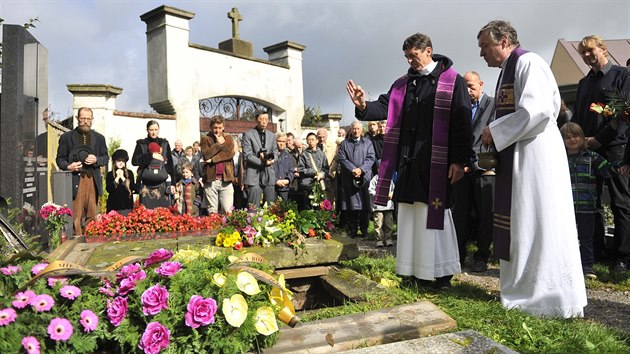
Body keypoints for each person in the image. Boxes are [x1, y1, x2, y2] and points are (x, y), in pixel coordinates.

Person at [478, 20, 586, 317]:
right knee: (523, 219)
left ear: (502, 41)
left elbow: (537, 111)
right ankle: (524, 289)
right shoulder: (507, 71)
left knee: (538, 218)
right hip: (520, 154)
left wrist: (495, 130)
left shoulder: (529, 62)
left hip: (536, 155)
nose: (481, 53)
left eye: (484, 46)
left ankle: (547, 295)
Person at [347, 32, 471, 289]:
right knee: (410, 215)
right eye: (407, 57)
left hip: (435, 163)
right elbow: (383, 106)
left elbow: (462, 122)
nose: (410, 61)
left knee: (434, 213)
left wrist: (460, 160)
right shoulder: (404, 84)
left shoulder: (452, 81)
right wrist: (362, 105)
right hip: (408, 163)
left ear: (428, 51)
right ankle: (413, 270)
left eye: (413, 56)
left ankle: (441, 274)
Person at [572, 35, 630, 274]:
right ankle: (596, 252)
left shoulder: (621, 76)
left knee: (621, 202)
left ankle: (623, 257)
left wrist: (600, 139)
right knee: (590, 202)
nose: (587, 55)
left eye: (590, 50)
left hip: (615, 147)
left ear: (603, 49)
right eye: (582, 53)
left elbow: (624, 115)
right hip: (587, 150)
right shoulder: (584, 83)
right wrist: (577, 141)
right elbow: (578, 118)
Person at [452, 71, 496, 272]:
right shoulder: (459, 108)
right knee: (460, 214)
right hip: (463, 169)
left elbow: (492, 137)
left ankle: (482, 255)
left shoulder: (493, 105)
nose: (468, 90)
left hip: (485, 169)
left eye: (472, 86)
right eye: (465, 87)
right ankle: (459, 255)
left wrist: (474, 164)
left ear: (481, 83)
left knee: (485, 215)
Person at [561, 122, 614, 280]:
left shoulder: (592, 157)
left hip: (587, 206)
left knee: (586, 238)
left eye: (576, 136)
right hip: (566, 208)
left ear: (583, 138)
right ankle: (566, 266)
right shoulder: (559, 159)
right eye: (567, 137)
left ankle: (587, 267)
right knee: (565, 238)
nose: (572, 139)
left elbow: (608, 170)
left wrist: (621, 167)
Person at [55, 107, 109, 235]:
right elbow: (60, 159)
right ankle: (76, 245)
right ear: (77, 118)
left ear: (92, 120)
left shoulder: (99, 138)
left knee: (92, 214)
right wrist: (69, 166)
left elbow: (105, 157)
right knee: (76, 216)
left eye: (88, 119)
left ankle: (91, 243)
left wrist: (96, 159)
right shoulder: (66, 137)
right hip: (75, 180)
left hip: (92, 180)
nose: (85, 121)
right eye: (82, 118)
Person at [336, 121, 375, 238]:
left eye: (358, 128)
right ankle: (352, 230)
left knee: (364, 205)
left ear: (361, 130)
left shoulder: (368, 143)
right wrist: (353, 169)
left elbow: (371, 158)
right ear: (351, 129)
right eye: (354, 128)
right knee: (351, 205)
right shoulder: (344, 144)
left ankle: (364, 230)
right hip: (349, 178)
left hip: (364, 178)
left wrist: (361, 170)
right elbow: (341, 158)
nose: (356, 131)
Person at [132, 120, 175, 209]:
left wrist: (173, 183)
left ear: (159, 130)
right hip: (146, 184)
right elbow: (135, 161)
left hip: (162, 183)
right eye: (151, 130)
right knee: (146, 214)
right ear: (147, 130)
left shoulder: (164, 143)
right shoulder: (141, 144)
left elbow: (170, 164)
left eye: (156, 129)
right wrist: (151, 156)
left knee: (163, 213)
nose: (154, 132)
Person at [200, 116, 236, 214]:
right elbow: (206, 155)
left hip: (226, 178)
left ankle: (228, 229)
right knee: (212, 211)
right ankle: (213, 229)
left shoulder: (228, 138)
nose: (217, 130)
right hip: (211, 179)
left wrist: (213, 159)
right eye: (215, 128)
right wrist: (218, 144)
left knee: (228, 210)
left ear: (223, 127)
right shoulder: (205, 139)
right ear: (211, 127)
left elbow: (229, 154)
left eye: (220, 128)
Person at [242, 111, 277, 207]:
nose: (264, 122)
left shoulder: (272, 135)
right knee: (253, 206)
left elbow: (275, 153)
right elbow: (248, 155)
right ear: (256, 120)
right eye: (261, 119)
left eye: (266, 119)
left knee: (271, 206)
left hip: (269, 174)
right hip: (254, 174)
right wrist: (262, 162)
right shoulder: (248, 135)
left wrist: (272, 160)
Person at [298, 132, 330, 209]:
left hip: (319, 185)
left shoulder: (321, 154)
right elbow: (300, 169)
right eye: (309, 140)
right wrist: (313, 172)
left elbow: (326, 168)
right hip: (307, 185)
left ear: (316, 141)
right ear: (306, 141)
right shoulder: (304, 154)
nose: (311, 141)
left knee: (320, 207)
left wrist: (321, 174)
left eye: (312, 139)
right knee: (308, 207)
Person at [368, 161, 395, 247]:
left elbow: (393, 189)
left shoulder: (389, 180)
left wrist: (391, 194)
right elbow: (370, 190)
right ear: (377, 169)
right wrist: (378, 194)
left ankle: (388, 239)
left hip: (388, 206)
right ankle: (379, 240)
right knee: (378, 224)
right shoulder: (375, 179)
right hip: (378, 206)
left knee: (388, 224)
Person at [105, 149, 135, 215]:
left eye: (123, 161)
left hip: (127, 207)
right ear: (114, 162)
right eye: (119, 161)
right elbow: (109, 189)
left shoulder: (129, 173)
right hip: (113, 207)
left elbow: (133, 187)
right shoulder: (110, 174)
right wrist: (117, 178)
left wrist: (123, 178)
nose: (121, 163)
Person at [274, 132, 295, 202]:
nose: (281, 143)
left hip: (284, 188)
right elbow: (267, 171)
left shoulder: (289, 156)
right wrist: (276, 181)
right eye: (279, 141)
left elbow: (291, 171)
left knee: (284, 210)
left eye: (283, 141)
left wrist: (287, 180)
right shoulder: (270, 155)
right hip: (272, 187)